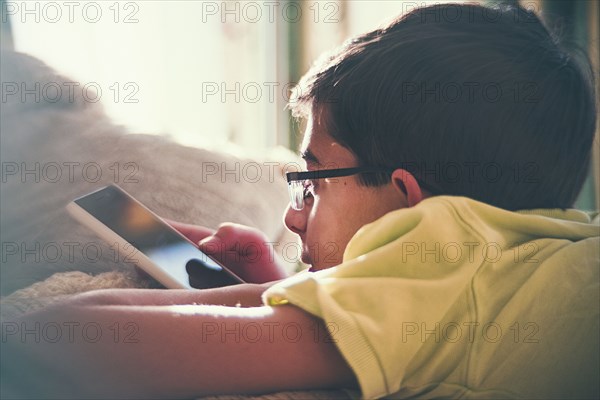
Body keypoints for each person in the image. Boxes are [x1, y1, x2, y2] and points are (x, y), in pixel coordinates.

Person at [2, 2, 598, 399]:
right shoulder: (527, 254)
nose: (293, 214)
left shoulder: (436, 255)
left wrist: (261, 297)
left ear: (407, 199)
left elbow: (57, 340)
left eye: (311, 182)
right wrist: (280, 285)